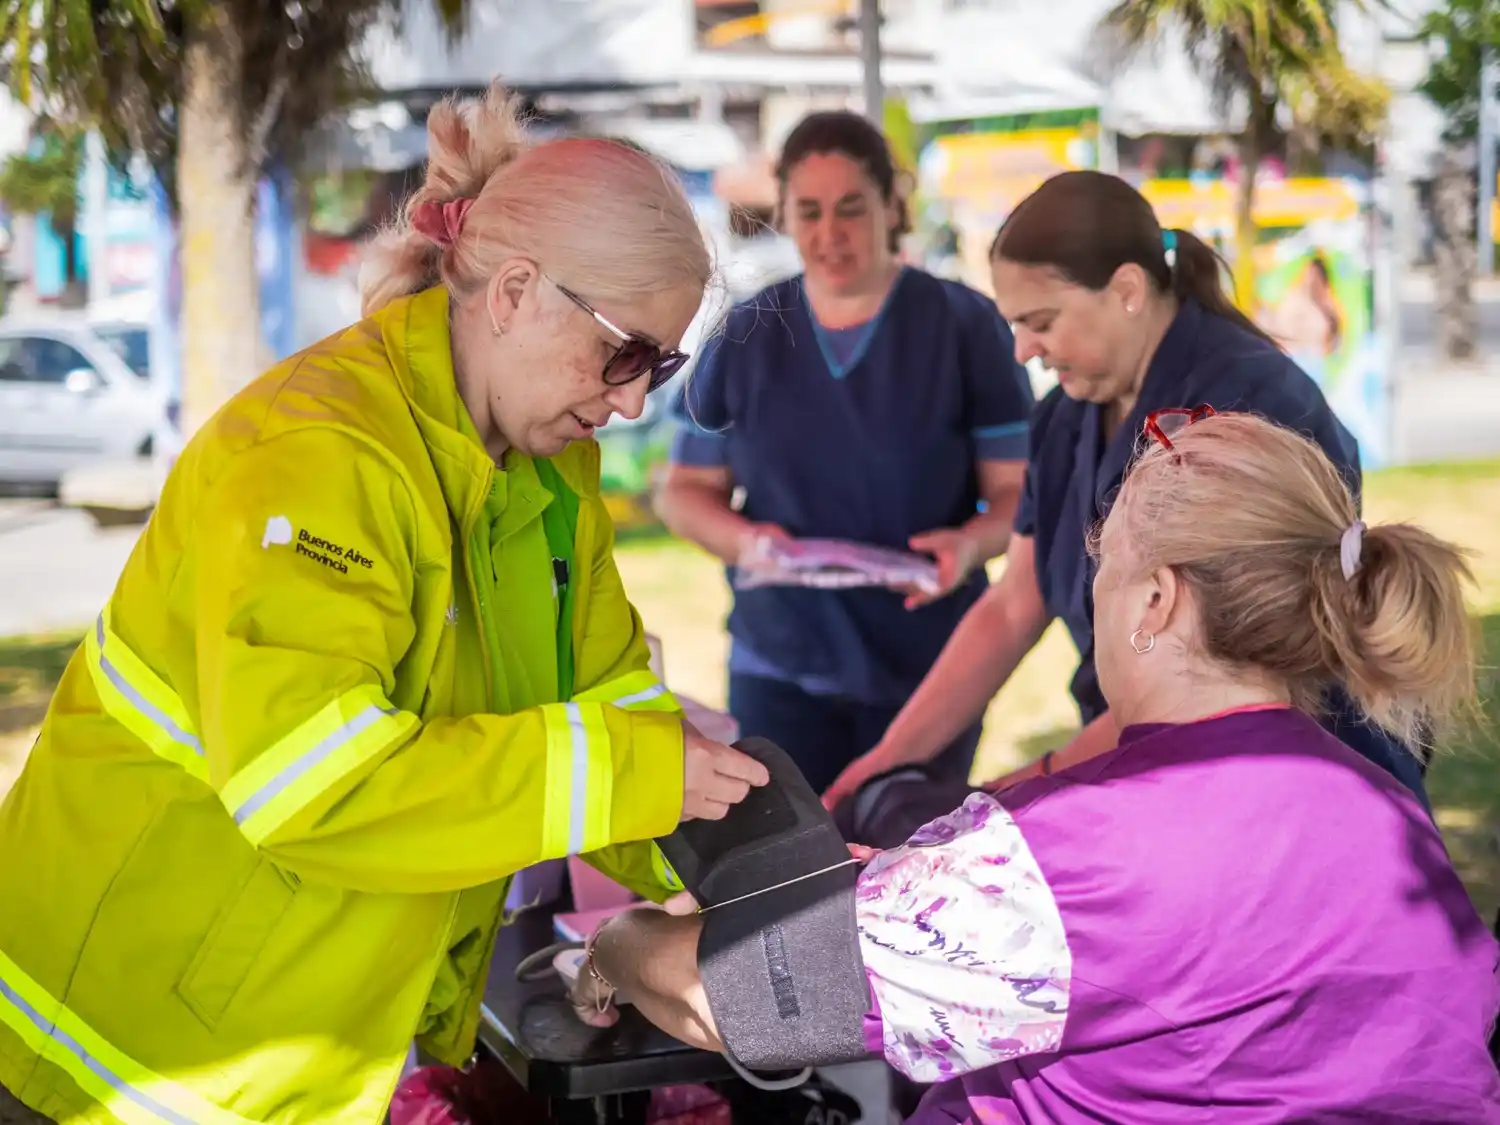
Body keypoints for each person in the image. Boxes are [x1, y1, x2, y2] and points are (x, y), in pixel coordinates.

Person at [0, 83, 770, 1125]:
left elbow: (613, 702)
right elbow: (313, 785)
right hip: (114, 1056)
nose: (634, 400)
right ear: (513, 292)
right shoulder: (318, 456)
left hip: (281, 1048)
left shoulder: (548, 474)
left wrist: (749, 856)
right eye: (624, 353)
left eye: (662, 367)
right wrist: (639, 778)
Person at [569, 411, 1500, 1122]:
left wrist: (618, 943)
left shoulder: (1074, 851)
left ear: (1157, 601)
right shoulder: (1387, 811)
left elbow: (747, 999)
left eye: (1100, 562)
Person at [823, 170, 1426, 810]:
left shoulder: (1250, 406)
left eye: (1042, 321)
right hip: (1138, 773)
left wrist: (1014, 793)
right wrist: (887, 761)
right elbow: (1011, 607)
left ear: (1128, 290)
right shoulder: (1062, 418)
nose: (1024, 349)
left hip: (1275, 788)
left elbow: (1201, 675)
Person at [657, 110, 1035, 795]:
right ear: (785, 213)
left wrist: (971, 545)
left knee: (907, 859)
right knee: (789, 874)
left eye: (851, 208)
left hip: (930, 664)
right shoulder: (746, 333)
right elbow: (684, 490)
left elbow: (1018, 496)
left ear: (892, 204)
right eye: (809, 211)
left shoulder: (964, 327)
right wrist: (747, 543)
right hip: (780, 663)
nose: (830, 233)